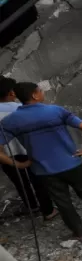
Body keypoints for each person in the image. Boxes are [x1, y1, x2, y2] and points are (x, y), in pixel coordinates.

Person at [0, 82, 82, 240]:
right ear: (34, 95)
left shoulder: (10, 121)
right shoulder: (55, 111)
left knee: (63, 202)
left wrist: (19, 164)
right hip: (73, 163)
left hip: (44, 171)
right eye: (40, 91)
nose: (42, 93)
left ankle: (80, 233)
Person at [0, 77, 55, 220]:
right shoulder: (21, 108)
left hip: (6, 155)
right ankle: (48, 210)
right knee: (38, 180)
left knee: (20, 182)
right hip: (29, 150)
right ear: (12, 93)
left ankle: (32, 206)